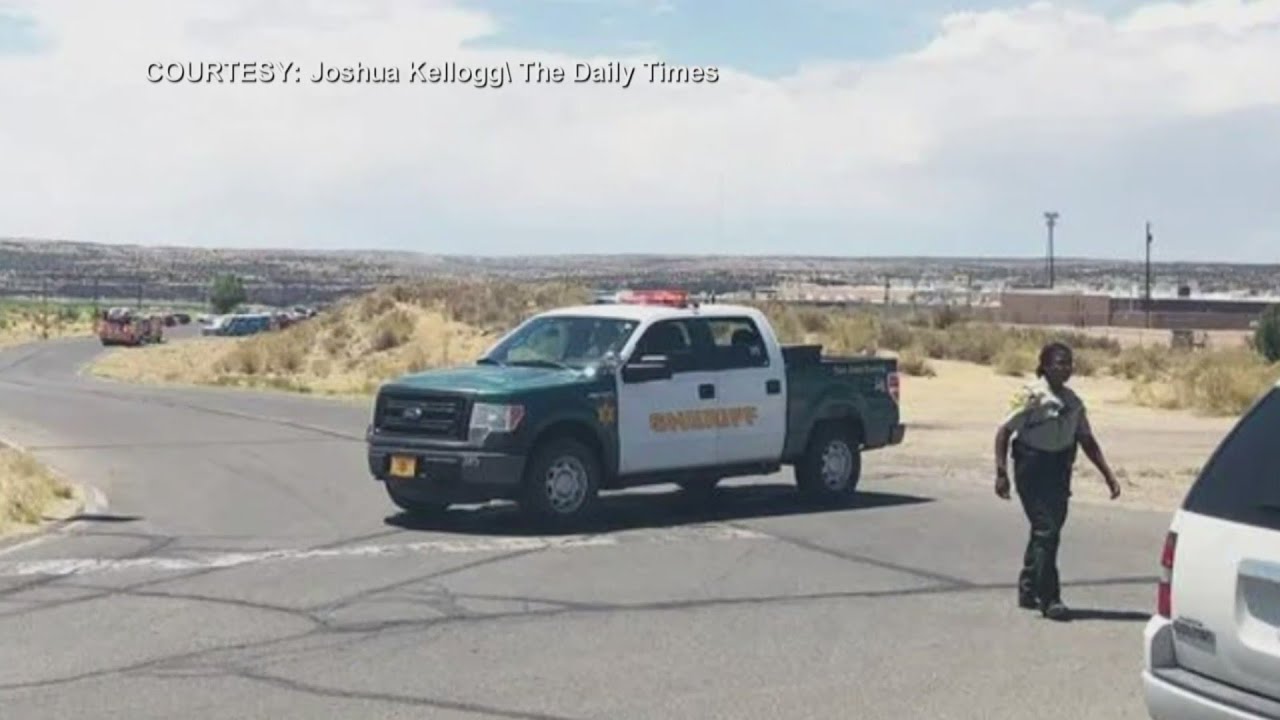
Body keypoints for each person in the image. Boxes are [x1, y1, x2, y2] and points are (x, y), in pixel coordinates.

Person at [994, 341, 1121, 621]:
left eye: (1069, 363)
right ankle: (1049, 598)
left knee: (1047, 531)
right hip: (1032, 467)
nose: (1066, 368)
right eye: (1059, 363)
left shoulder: (1073, 402)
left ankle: (1028, 587)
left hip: (1059, 469)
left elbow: (1086, 439)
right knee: (1046, 530)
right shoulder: (1031, 396)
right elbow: (1004, 432)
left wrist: (1108, 476)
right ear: (1045, 365)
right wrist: (1002, 473)